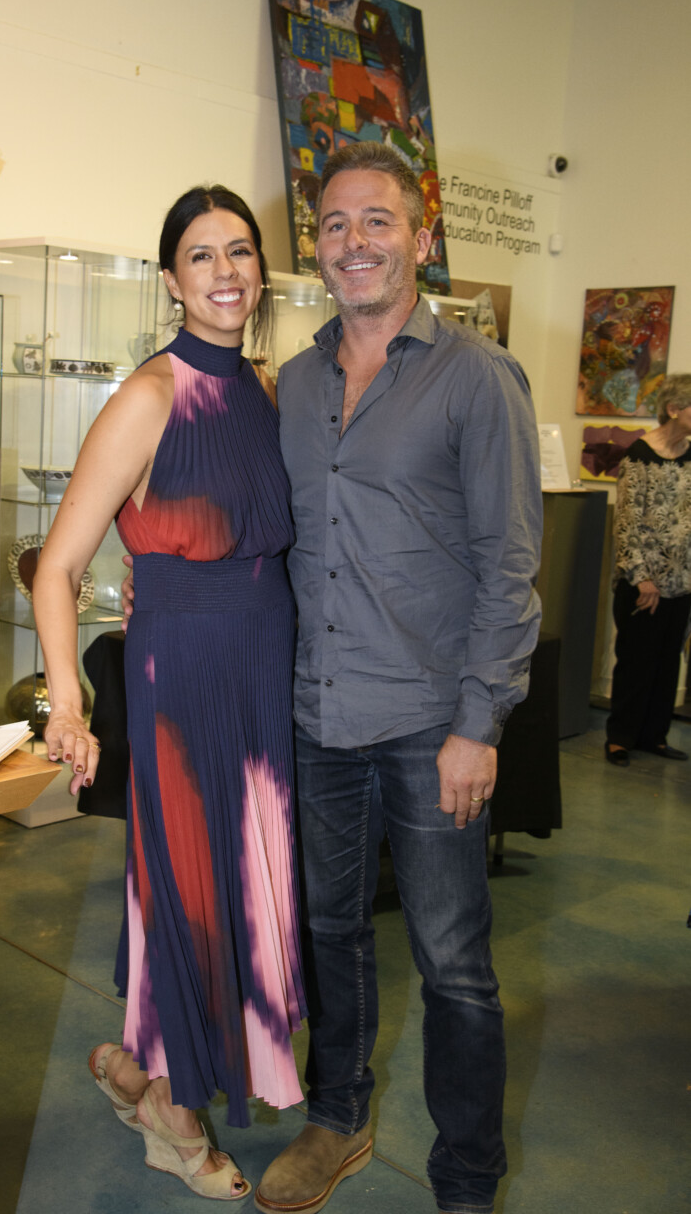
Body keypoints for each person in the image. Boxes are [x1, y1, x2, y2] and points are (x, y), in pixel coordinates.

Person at [252, 142, 543, 1214]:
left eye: (376, 220)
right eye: (334, 224)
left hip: (432, 723)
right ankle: (337, 1117)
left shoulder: (477, 376)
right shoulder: (295, 382)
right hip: (318, 712)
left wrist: (480, 723)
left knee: (452, 960)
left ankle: (466, 1177)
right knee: (328, 932)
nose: (353, 241)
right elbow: (276, 537)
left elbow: (509, 565)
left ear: (420, 238)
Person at [32, 184, 306, 1201]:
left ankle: (144, 1067)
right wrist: (68, 703)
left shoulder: (266, 389)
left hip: (262, 667)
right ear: (170, 280)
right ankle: (174, 1113)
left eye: (240, 251)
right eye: (201, 255)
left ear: (260, 271)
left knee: (239, 885)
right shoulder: (150, 396)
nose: (225, 272)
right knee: (189, 885)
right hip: (181, 676)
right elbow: (56, 566)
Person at [604, 373, 691, 767]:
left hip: (681, 582)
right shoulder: (638, 455)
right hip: (643, 583)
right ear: (673, 409)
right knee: (636, 661)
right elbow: (626, 522)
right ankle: (620, 738)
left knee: (668, 662)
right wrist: (642, 578)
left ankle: (654, 736)